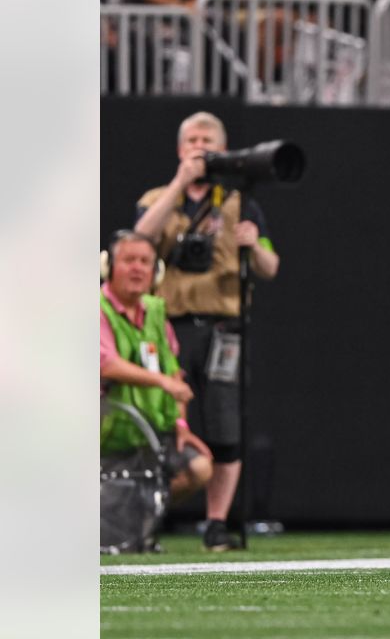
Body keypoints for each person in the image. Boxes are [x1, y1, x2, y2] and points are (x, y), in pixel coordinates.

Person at [134, 111, 281, 551]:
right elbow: (138, 238)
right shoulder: (158, 197)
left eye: (206, 139)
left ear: (221, 147)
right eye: (191, 139)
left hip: (222, 329)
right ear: (180, 148)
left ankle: (216, 522)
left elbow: (271, 268)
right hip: (168, 330)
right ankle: (142, 516)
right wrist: (181, 182)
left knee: (225, 428)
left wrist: (253, 244)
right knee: (157, 424)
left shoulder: (240, 200)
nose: (198, 145)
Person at [101, 230, 213, 505]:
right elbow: (106, 364)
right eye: (129, 260)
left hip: (150, 435)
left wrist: (181, 424)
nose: (137, 268)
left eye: (145, 261)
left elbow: (175, 374)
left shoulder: (156, 313)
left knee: (199, 468)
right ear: (109, 267)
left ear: (156, 271)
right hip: (105, 436)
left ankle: (135, 517)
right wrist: (161, 382)